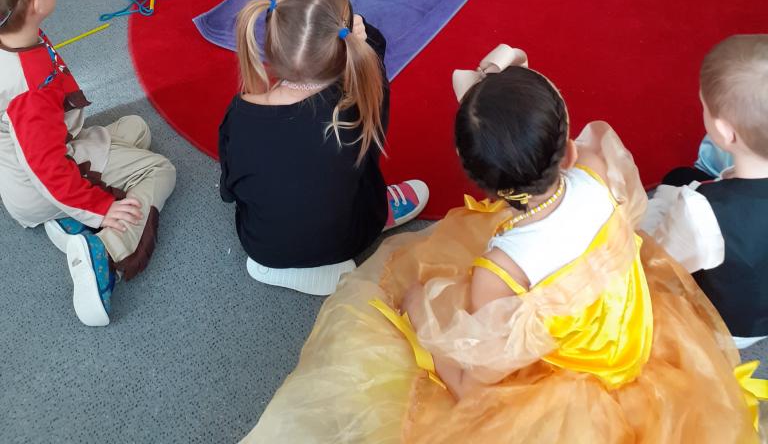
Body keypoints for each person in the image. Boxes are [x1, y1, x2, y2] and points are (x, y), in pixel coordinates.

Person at [243, 47, 757, 444]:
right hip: (628, 333)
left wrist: (422, 315)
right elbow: (535, 119)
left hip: (569, 380)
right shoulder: (599, 167)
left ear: (482, 183)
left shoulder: (499, 269)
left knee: (418, 305)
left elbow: (476, 385)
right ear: (567, 149)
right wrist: (505, 81)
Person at [0, 0, 176, 327]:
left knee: (136, 128)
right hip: (40, 183)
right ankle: (105, 252)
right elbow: (47, 169)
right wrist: (101, 208)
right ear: (35, 3)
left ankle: (69, 218)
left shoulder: (11, 37)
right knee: (160, 169)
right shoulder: (29, 93)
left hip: (38, 158)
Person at [218, 0, 429, 296]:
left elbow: (229, 187)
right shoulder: (355, 107)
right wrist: (367, 40)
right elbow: (366, 164)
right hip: (345, 241)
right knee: (359, 172)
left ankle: (281, 260)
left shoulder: (239, 112)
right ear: (346, 44)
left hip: (259, 244)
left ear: (271, 45)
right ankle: (378, 213)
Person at [641, 35, 768, 348]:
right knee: (685, 178)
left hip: (727, 329)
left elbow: (660, 262)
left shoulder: (702, 208)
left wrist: (664, 205)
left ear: (725, 132)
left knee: (676, 181)